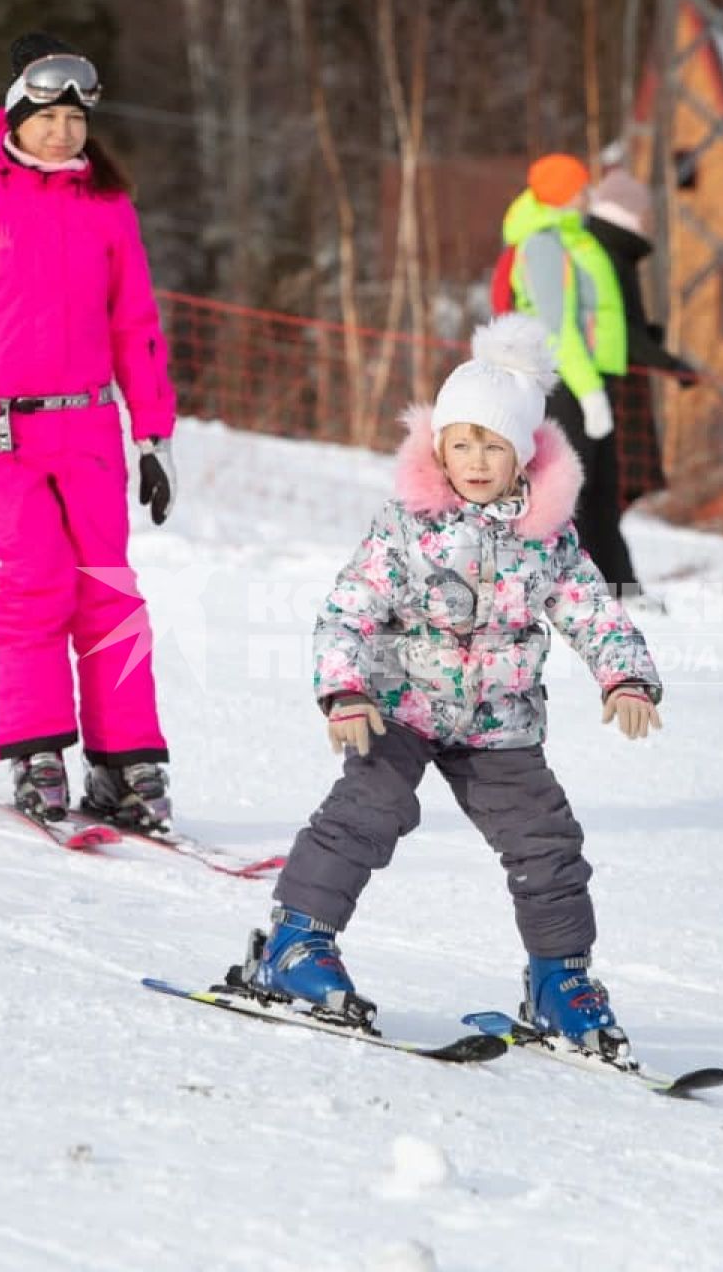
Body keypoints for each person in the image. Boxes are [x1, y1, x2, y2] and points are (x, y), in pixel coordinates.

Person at [236, 314, 664, 1060]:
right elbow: (350, 608)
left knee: (547, 842)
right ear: (438, 444)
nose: (474, 457)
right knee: (369, 810)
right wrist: (345, 691)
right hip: (398, 705)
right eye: (460, 440)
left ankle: (560, 982)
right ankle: (295, 945)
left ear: (523, 453)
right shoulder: (409, 524)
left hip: (499, 720)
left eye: (492, 445)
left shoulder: (549, 536)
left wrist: (626, 676)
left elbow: (594, 610)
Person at [0, 32, 182, 828]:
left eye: (75, 120)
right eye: (47, 116)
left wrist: (153, 436)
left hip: (87, 427)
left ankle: (128, 765)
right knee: (36, 584)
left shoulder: (107, 205)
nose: (62, 132)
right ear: (15, 114)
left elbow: (136, 325)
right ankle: (39, 751)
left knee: (110, 591)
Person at [499, 154, 633, 591]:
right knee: (567, 488)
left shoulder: (570, 237)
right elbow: (558, 329)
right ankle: (551, 581)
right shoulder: (544, 244)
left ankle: (614, 582)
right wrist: (589, 392)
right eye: (579, 187)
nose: (586, 194)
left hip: (588, 377)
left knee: (600, 488)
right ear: (561, 193)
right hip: (569, 383)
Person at [583, 168, 699, 598]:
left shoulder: (612, 251)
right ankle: (610, 581)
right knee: (603, 491)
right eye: (645, 214)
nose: (649, 222)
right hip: (609, 382)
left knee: (608, 492)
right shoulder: (606, 253)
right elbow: (619, 329)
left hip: (618, 379)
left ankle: (614, 579)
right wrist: (671, 364)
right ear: (627, 213)